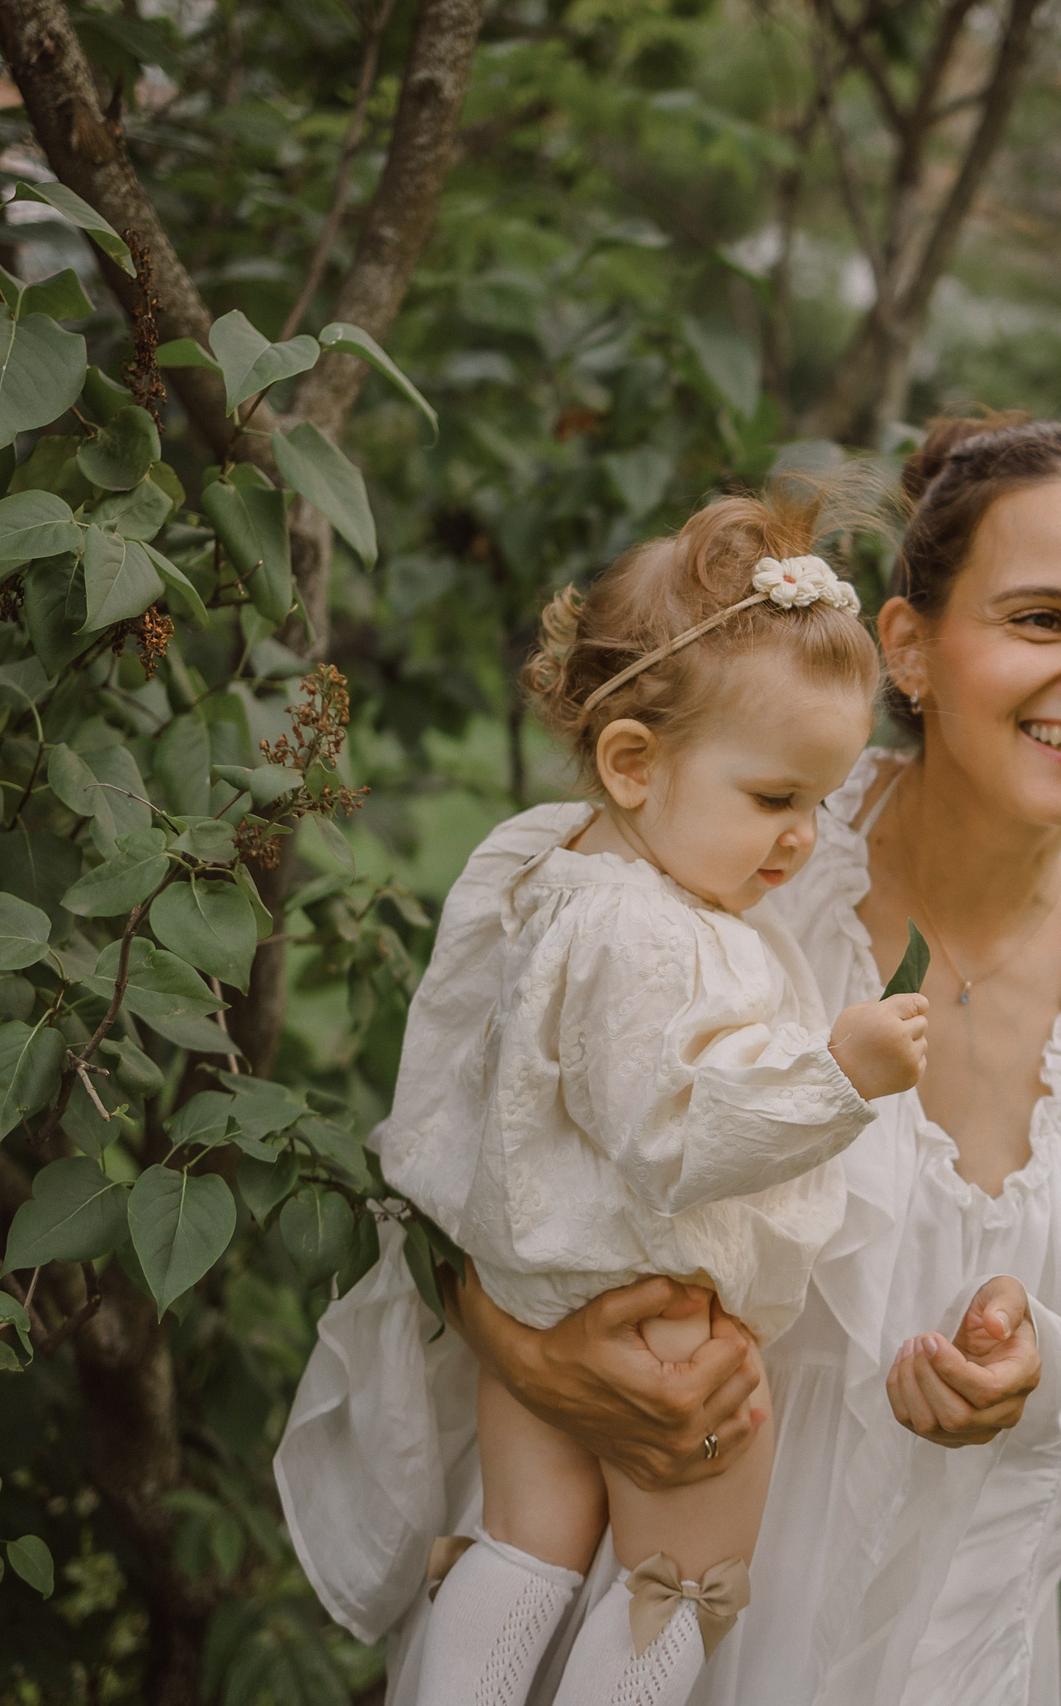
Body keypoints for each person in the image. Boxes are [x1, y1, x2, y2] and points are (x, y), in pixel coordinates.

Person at [275, 413, 1061, 1706]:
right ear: (907, 644)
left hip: (926, 1646)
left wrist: (1043, 1377)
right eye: (1042, 617)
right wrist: (521, 1346)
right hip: (618, 1591)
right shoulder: (710, 860)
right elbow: (478, 1125)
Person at [380, 485, 934, 1706]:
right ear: (634, 762)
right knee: (683, 1575)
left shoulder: (547, 861)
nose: (797, 842)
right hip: (664, 1304)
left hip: (540, 1281)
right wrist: (838, 1072)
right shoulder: (657, 932)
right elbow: (674, 1127)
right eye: (775, 799)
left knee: (525, 1545)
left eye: (821, 804)